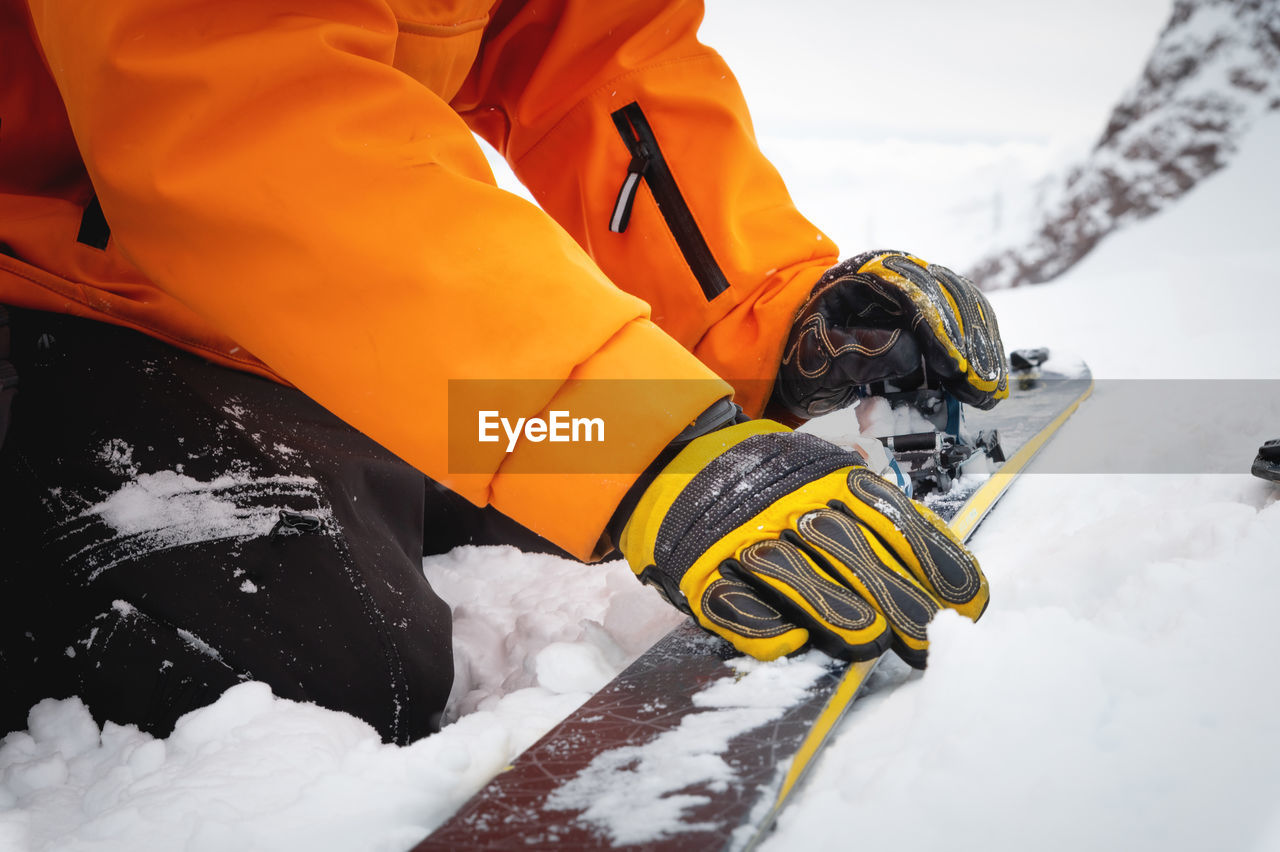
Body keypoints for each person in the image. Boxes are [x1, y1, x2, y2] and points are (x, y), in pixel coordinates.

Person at [0, 0, 1007, 744]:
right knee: (310, 686)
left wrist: (768, 313)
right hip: (69, 293)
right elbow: (232, 101)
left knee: (563, 499)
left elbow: (598, 53)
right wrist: (645, 448)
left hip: (339, 300)